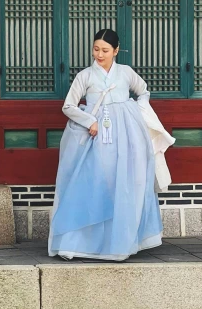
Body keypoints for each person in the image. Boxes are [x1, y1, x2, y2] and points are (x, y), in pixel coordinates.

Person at [48, 28, 175, 261]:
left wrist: (136, 110)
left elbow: (143, 91)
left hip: (127, 135)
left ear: (116, 51)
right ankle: (83, 242)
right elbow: (68, 106)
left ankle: (122, 242)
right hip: (95, 135)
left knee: (126, 183)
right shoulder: (85, 76)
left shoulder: (126, 73)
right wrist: (90, 120)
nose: (99, 54)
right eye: (96, 49)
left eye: (105, 50)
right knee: (96, 182)